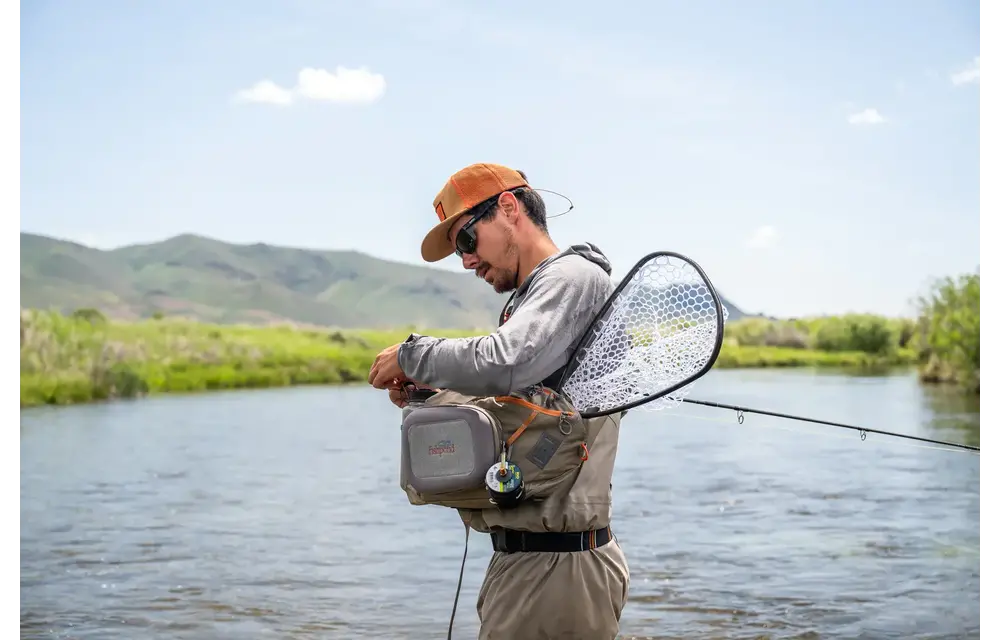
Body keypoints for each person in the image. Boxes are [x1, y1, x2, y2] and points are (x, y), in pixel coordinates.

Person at [368, 162, 630, 639]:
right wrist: (426, 391)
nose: (466, 261)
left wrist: (413, 354)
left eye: (466, 241)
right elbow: (522, 394)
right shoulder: (539, 293)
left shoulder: (571, 276)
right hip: (534, 564)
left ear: (509, 209)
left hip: (557, 569)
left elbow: (506, 362)